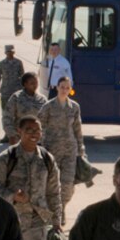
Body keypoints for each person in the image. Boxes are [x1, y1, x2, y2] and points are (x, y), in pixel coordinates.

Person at [39, 78, 85, 208]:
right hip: (52, 151)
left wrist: (81, 150)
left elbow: (77, 128)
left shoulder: (75, 107)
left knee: (68, 184)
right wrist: (41, 145)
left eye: (67, 88)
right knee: (52, 182)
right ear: (57, 87)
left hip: (70, 151)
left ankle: (62, 208)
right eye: (62, 87)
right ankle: (54, 211)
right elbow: (39, 126)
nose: (64, 90)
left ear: (70, 90)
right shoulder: (48, 107)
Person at [0, 43, 25, 141]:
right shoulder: (2, 64)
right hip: (5, 93)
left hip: (16, 92)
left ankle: (17, 134)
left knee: (17, 114)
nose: (10, 53)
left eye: (12, 51)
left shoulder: (19, 63)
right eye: (8, 52)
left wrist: (24, 90)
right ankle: (7, 134)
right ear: (5, 52)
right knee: (6, 114)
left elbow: (23, 77)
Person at [5, 72, 47, 147]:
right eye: (32, 83)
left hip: (38, 139)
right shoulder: (16, 97)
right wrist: (11, 135)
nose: (35, 85)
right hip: (20, 138)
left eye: (36, 83)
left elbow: (48, 119)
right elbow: (7, 117)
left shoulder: (42, 99)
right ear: (25, 84)